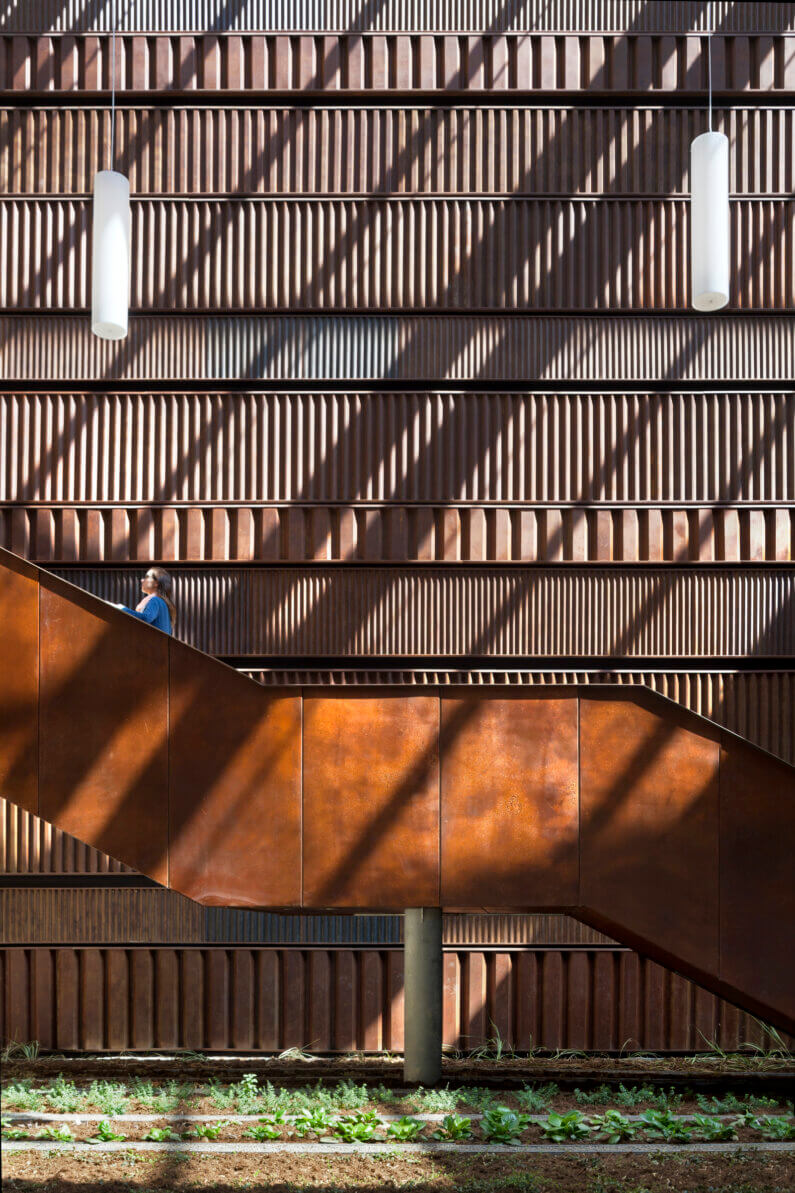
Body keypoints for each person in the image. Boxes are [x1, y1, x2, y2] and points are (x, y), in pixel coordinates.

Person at [115, 567, 176, 635]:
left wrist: (122, 609)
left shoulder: (155, 600)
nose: (142, 580)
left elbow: (145, 618)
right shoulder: (163, 603)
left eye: (147, 577)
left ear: (156, 583)